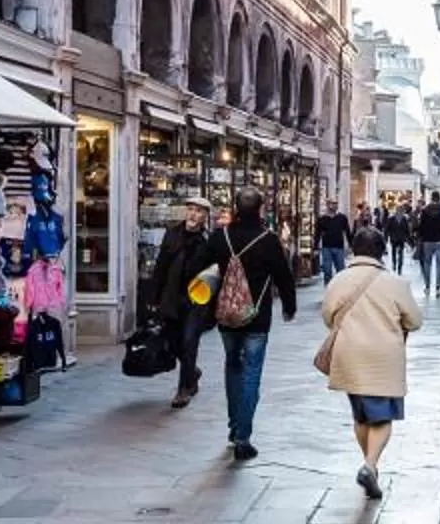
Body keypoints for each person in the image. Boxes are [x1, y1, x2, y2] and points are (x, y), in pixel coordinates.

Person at [321, 225, 422, 498]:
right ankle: (370, 464)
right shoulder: (396, 284)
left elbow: (328, 316)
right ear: (382, 252)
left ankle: (370, 467)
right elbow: (415, 321)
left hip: (350, 355)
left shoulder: (338, 280)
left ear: (353, 249)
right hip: (383, 358)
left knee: (361, 415)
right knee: (382, 417)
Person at [207, 190, 299, 461]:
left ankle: (234, 425)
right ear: (261, 208)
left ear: (235, 207)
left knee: (232, 364)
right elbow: (284, 275)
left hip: (226, 315)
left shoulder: (220, 237)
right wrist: (289, 307)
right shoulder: (268, 240)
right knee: (252, 373)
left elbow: (200, 267)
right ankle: (243, 437)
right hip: (257, 317)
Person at [150, 199, 217, 408]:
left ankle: (183, 390)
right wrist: (153, 298)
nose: (192, 214)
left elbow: (215, 272)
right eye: (190, 209)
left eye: (198, 211)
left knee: (189, 342)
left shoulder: (208, 240)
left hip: (196, 299)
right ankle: (192, 372)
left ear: (205, 216)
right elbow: (161, 266)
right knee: (173, 340)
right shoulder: (173, 234)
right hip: (172, 297)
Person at [414, 197, 440, 299]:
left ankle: (427, 286)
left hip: (427, 240)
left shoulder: (425, 210)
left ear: (432, 198)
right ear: (439, 198)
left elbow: (421, 226)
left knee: (427, 263)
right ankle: (438, 287)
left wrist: (420, 236)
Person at [314, 201, 352, 284]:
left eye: (335, 204)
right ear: (327, 205)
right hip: (326, 247)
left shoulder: (342, 218)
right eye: (331, 204)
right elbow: (317, 233)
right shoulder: (322, 218)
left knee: (341, 269)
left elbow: (347, 231)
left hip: (339, 247)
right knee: (327, 270)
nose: (334, 206)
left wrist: (351, 245)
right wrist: (315, 247)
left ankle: (340, 286)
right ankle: (328, 286)